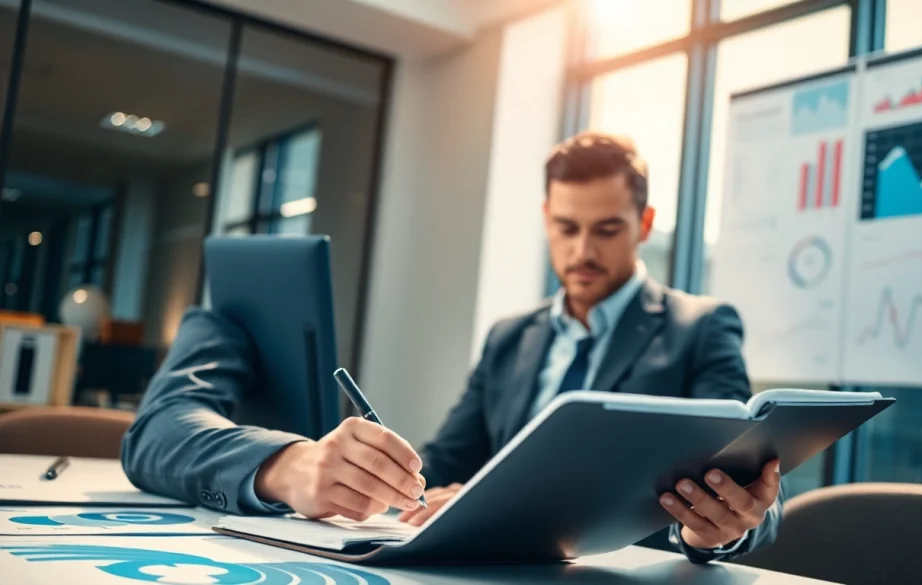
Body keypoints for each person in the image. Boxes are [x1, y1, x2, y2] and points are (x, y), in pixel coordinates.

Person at [121, 131, 782, 564]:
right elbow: (445, 461)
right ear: (546, 221)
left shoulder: (701, 325)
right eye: (566, 228)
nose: (583, 251)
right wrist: (409, 480)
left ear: (643, 225)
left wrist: (722, 526)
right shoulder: (511, 337)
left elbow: (748, 477)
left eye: (607, 229)